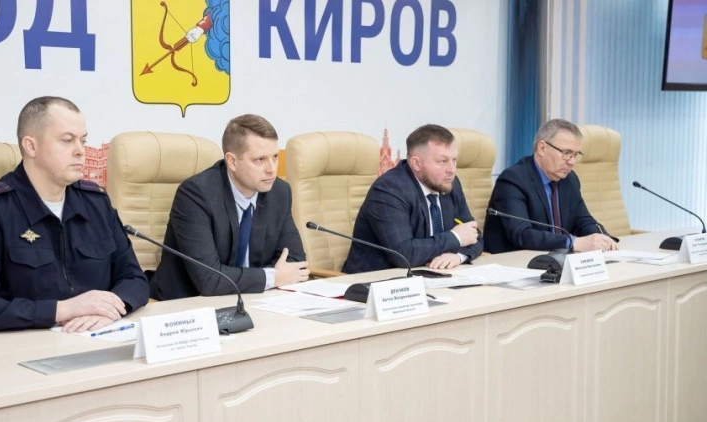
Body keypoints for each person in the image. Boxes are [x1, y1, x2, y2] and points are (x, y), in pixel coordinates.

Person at [0, 96, 149, 334]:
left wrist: (108, 309)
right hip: (25, 347)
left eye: (83, 140)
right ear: (31, 146)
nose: (81, 151)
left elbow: (134, 279)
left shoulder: (96, 203)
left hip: (99, 337)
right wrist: (63, 310)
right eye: (67, 140)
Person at [151, 114, 308, 300]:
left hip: (253, 299)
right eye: (260, 160)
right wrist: (273, 277)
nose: (272, 169)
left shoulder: (279, 192)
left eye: (275, 157)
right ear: (232, 161)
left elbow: (296, 263)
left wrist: (270, 278)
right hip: (189, 303)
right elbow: (209, 280)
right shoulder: (196, 194)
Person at [342, 124, 482, 273]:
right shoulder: (389, 189)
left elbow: (474, 235)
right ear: (416, 163)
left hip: (431, 276)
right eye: (442, 161)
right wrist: (455, 237)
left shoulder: (449, 184)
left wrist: (459, 256)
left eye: (454, 160)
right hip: (376, 281)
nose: (452, 169)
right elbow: (403, 254)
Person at [483, 118, 619, 253]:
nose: (572, 162)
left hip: (554, 258)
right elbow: (522, 234)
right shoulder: (513, 179)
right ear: (542, 148)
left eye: (575, 154)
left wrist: (603, 239)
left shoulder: (569, 179)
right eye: (566, 153)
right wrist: (573, 243)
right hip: (514, 260)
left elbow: (584, 221)